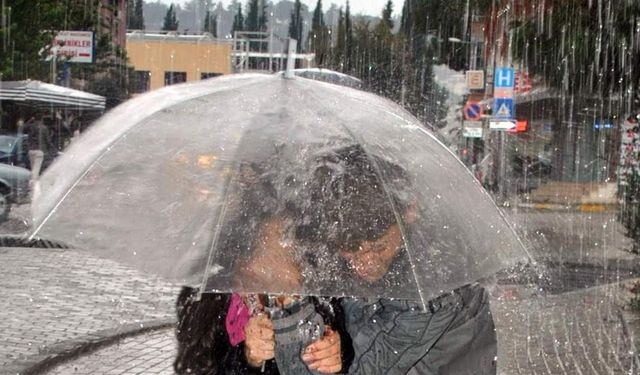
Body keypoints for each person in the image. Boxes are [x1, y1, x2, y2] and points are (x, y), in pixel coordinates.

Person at [299, 144, 497, 375]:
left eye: (379, 247)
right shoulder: (330, 250)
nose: (365, 262)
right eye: (350, 250)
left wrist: (333, 352)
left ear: (408, 213)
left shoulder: (436, 283)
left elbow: (367, 367)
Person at [174, 157, 352, 375]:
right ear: (241, 260)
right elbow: (193, 369)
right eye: (266, 265)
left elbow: (343, 356)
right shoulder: (205, 300)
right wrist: (249, 358)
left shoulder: (320, 299)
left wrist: (336, 357)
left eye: (290, 269)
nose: (278, 278)